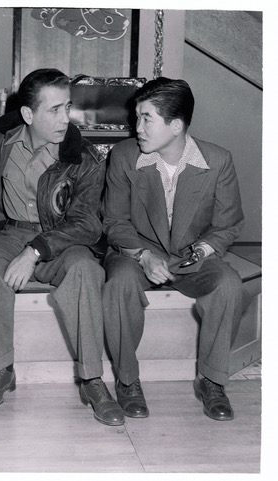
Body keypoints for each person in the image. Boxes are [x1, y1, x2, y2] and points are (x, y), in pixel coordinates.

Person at [0, 68, 124, 426]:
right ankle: (0, 371)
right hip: (10, 233)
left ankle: (91, 379)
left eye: (66, 107)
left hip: (62, 238)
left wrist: (35, 250)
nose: (63, 118)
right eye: (53, 110)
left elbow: (86, 224)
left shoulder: (83, 156)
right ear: (27, 115)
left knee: (87, 270)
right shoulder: (2, 135)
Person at [101, 77, 247, 421]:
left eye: (146, 118)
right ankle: (127, 380)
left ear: (176, 125)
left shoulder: (217, 161)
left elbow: (228, 224)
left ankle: (212, 380)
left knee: (228, 284)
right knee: (119, 284)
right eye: (136, 117)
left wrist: (203, 251)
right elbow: (114, 221)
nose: (136, 127)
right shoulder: (123, 156)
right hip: (135, 253)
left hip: (192, 256)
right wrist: (143, 255)